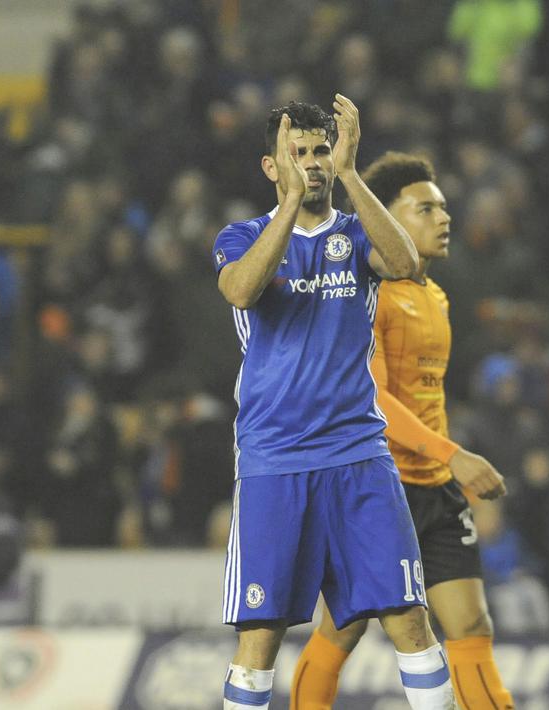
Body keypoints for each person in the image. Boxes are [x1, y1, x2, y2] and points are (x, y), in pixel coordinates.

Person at [212, 100, 455, 709]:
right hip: (274, 460)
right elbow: (242, 291)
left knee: (410, 620)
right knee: (261, 636)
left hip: (358, 456)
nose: (312, 163)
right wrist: (292, 207)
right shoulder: (240, 236)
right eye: (300, 153)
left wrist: (351, 177)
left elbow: (404, 263)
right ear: (272, 165)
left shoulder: (354, 232)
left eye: (322, 150)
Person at [289, 152, 514, 709]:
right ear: (385, 219)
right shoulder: (367, 295)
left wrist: (445, 462)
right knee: (344, 627)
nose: (444, 218)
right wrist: (454, 452)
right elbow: (372, 396)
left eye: (443, 207)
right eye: (425, 208)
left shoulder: (435, 297)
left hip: (436, 488)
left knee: (470, 623)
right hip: (374, 486)